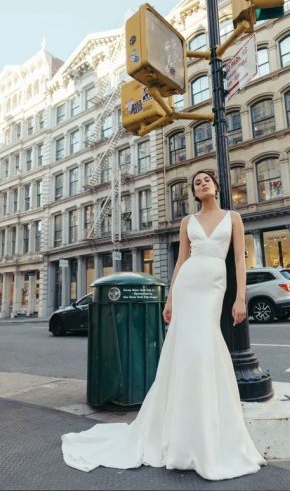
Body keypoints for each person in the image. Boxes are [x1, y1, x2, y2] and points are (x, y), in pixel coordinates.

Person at [61, 170, 266, 481]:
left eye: (206, 180)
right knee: (189, 350)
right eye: (197, 183)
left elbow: (239, 260)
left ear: (216, 186)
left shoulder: (233, 217)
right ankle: (183, 429)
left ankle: (208, 425)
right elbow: (181, 261)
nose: (202, 184)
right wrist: (170, 299)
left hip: (214, 285)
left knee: (204, 346)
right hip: (188, 284)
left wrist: (241, 299)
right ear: (195, 193)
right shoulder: (187, 223)